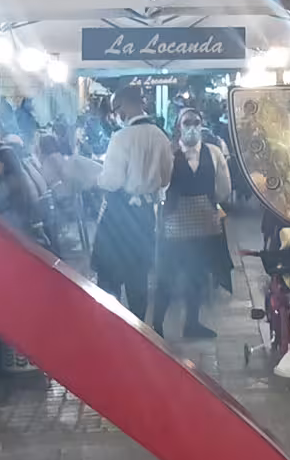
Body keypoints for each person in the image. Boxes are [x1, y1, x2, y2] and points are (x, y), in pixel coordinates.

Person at [94, 88, 173, 317]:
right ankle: (138, 326)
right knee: (138, 275)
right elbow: (166, 178)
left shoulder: (121, 137)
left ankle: (112, 325)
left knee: (109, 276)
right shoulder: (160, 136)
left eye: (116, 109)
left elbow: (112, 181)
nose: (116, 115)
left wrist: (97, 179)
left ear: (125, 107)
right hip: (145, 214)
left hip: (119, 214)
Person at [154, 109, 232, 339]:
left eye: (196, 122)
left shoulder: (214, 153)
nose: (192, 127)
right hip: (174, 224)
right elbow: (159, 185)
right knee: (167, 276)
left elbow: (224, 188)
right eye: (187, 122)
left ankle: (192, 324)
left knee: (197, 275)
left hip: (205, 223)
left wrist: (209, 203)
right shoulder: (168, 153)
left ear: (202, 124)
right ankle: (156, 325)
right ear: (178, 126)